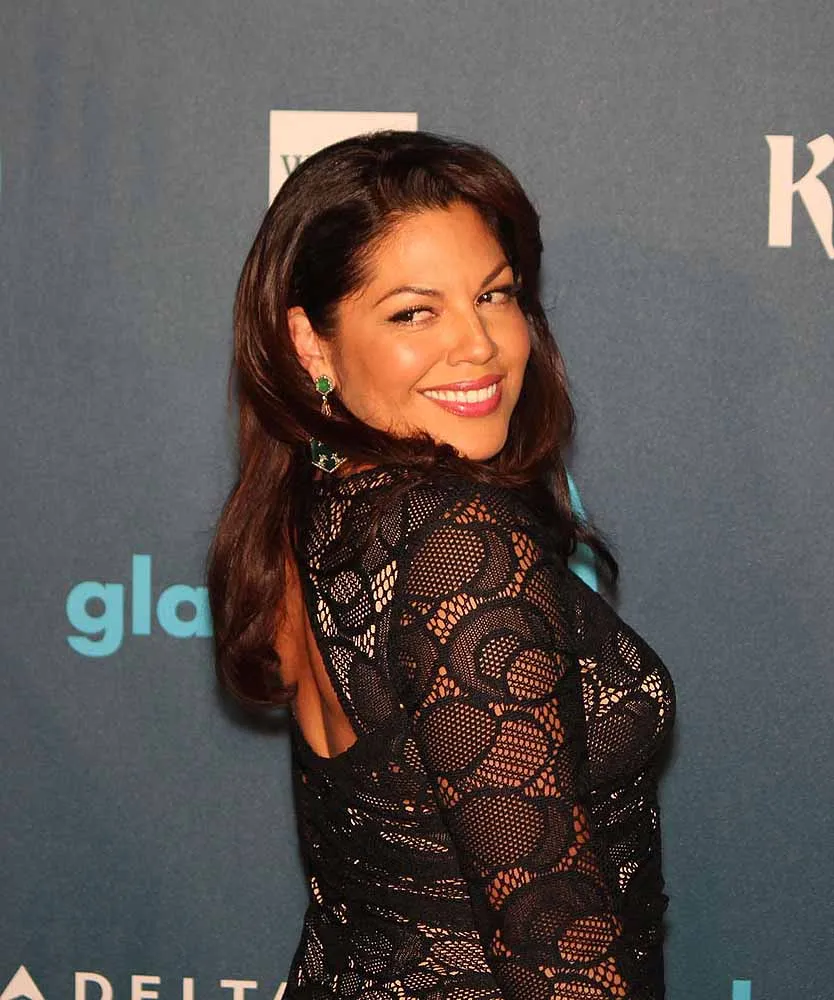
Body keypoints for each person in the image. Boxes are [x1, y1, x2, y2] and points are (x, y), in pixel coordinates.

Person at [207, 130, 676, 1000]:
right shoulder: (460, 543)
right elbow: (555, 954)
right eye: (414, 312)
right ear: (311, 343)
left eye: (494, 295)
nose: (480, 345)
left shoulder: (318, 506)